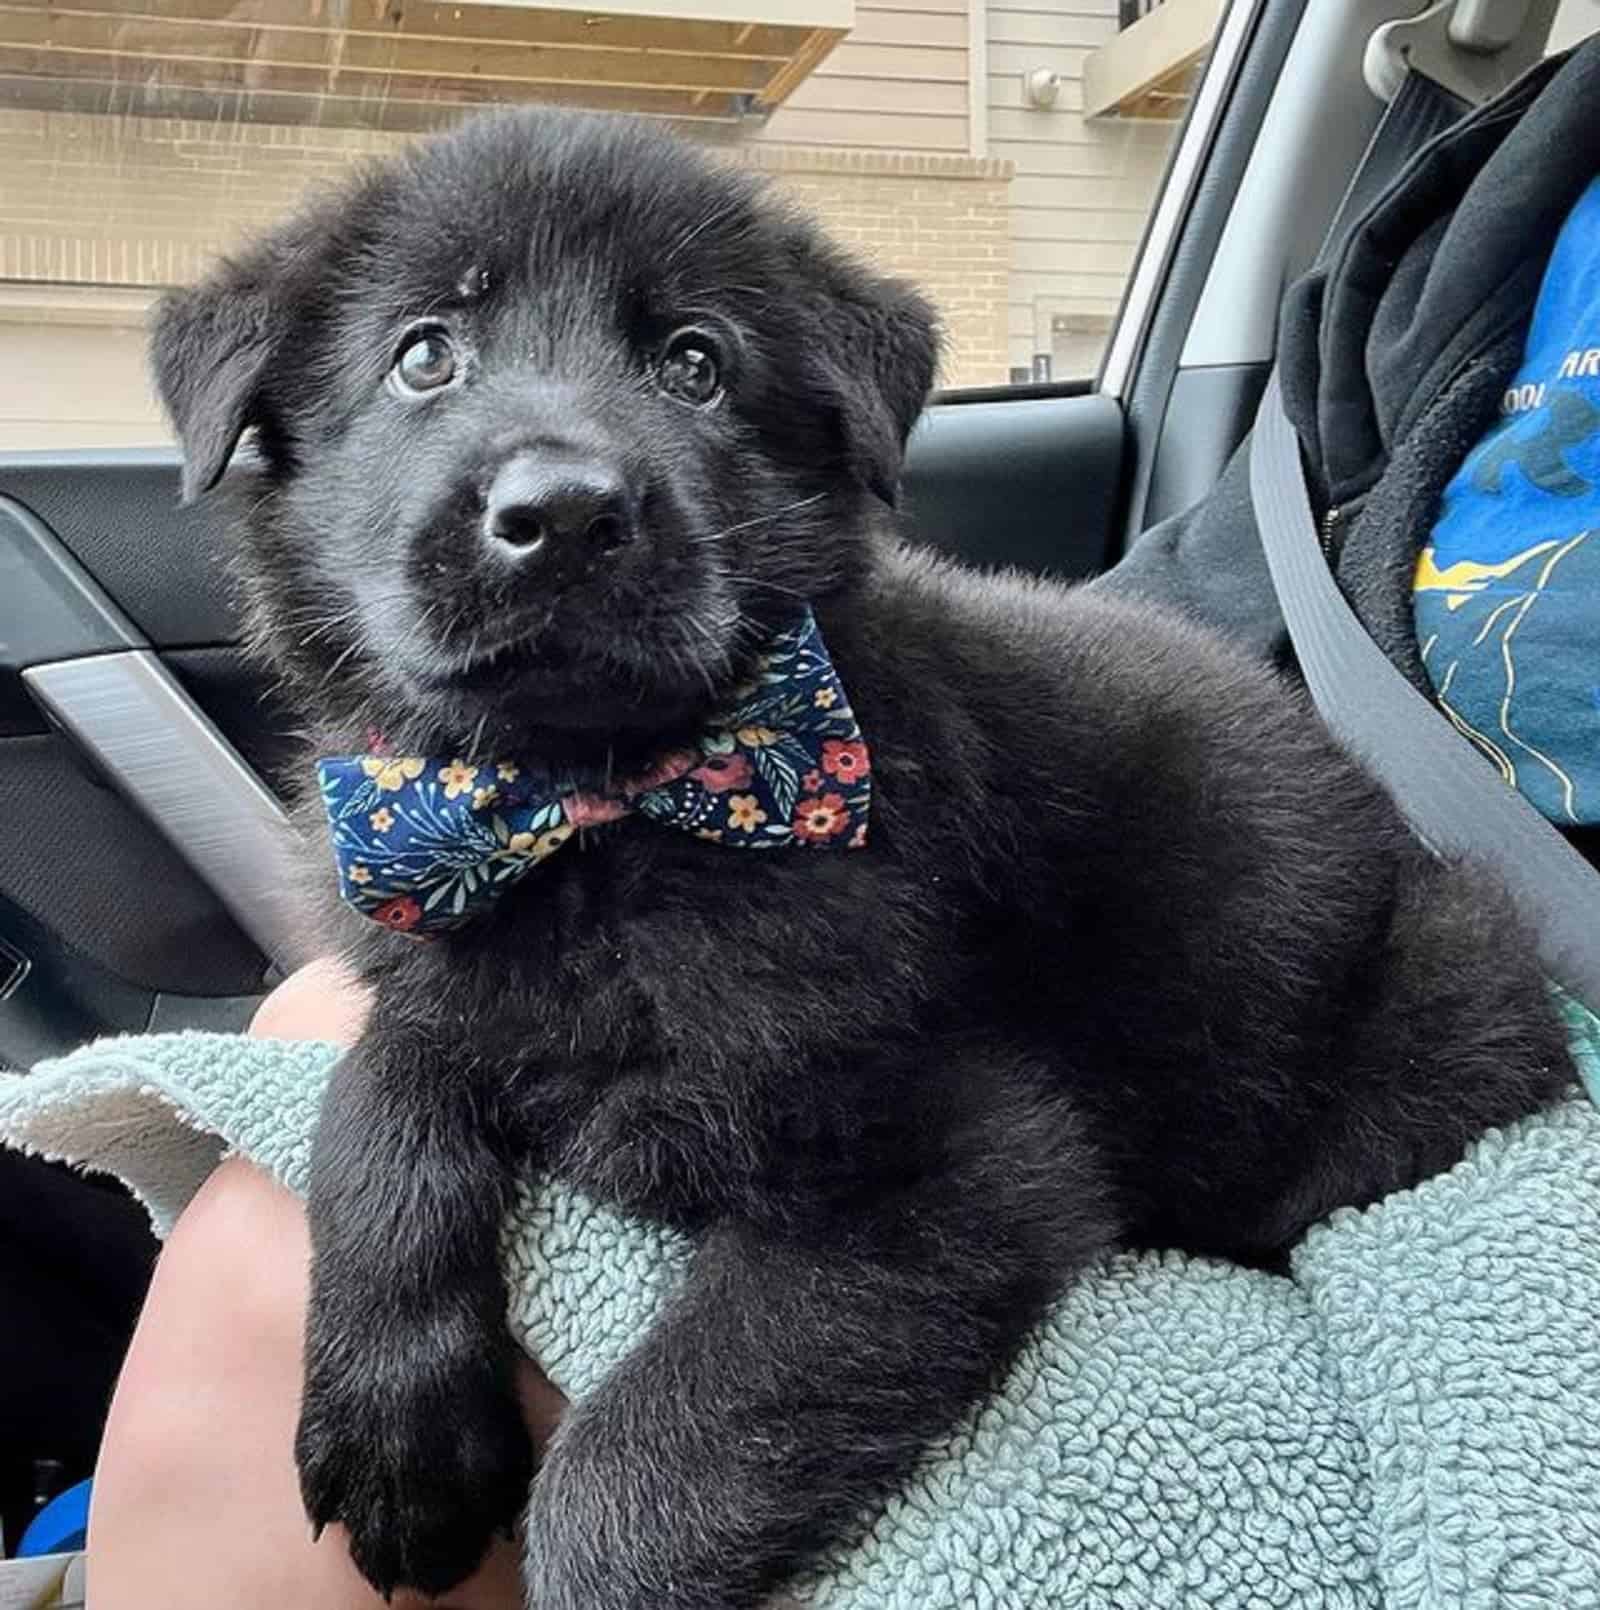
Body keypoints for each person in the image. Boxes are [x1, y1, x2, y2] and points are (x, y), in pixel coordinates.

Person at [73, 31, 1600, 1608]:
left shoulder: (823, 818)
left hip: (1336, 1074)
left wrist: (627, 1542)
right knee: (325, 1039)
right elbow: (447, 1010)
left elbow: (954, 1191)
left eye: (689, 362)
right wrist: (403, 1192)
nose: (553, 472)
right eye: (424, 357)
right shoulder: (413, 820)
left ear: (831, 449)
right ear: (272, 436)